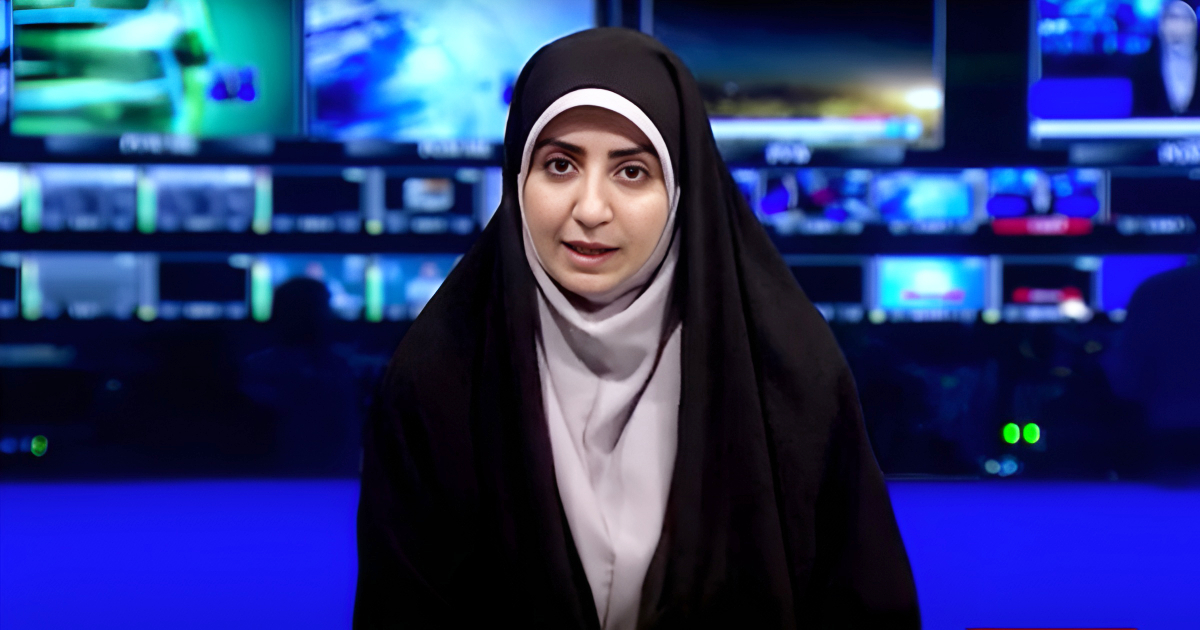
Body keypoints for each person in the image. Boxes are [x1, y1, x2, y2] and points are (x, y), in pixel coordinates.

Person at [354, 28, 918, 629]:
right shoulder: (434, 382)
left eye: (631, 172)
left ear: (680, 190)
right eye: (560, 165)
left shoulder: (790, 378)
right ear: (517, 180)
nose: (590, 209)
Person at [1104, 261, 1200, 484]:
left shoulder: (1156, 289)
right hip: (1170, 435)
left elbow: (1127, 383)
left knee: (1170, 503)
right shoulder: (1157, 289)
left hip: (1170, 434)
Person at [1132, 0, 1200, 116]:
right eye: (1172, 18)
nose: (1177, 26)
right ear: (1161, 24)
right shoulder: (1142, 65)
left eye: (1185, 19)